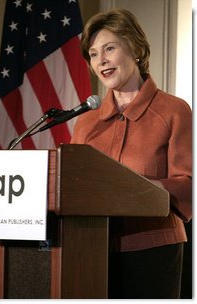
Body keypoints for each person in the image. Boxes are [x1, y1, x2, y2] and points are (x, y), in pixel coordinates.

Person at [71, 8, 192, 299]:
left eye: (110, 48)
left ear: (135, 48)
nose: (101, 61)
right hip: (89, 250)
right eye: (93, 54)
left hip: (153, 252)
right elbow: (71, 187)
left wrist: (131, 190)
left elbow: (187, 185)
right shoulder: (86, 122)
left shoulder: (173, 111)